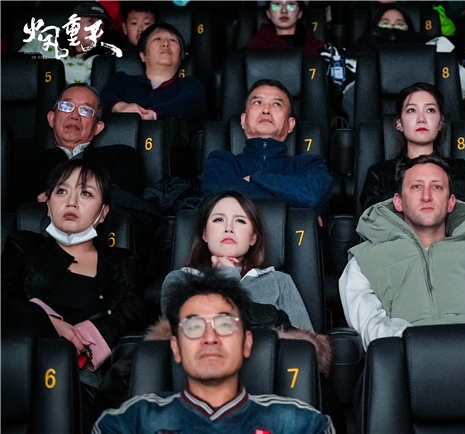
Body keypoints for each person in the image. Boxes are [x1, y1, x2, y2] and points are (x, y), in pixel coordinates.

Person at [93, 268, 334, 433]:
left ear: (247, 342)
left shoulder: (301, 424)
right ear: (176, 347)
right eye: (194, 327)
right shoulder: (129, 423)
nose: (210, 338)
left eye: (224, 325)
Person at [2, 159, 146, 430]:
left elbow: (134, 310)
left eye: (86, 193)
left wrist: (85, 339)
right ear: (48, 204)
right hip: (22, 364)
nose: (71, 202)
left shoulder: (121, 261)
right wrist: (54, 325)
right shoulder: (24, 245)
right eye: (61, 191)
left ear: (103, 213)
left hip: (84, 377)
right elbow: (5, 298)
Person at [340, 154, 465, 350]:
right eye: (416, 186)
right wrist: (427, 347)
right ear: (398, 202)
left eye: (437, 187)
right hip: (406, 361)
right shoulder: (363, 263)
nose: (426, 196)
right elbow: (372, 331)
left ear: (451, 203)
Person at [162, 191, 313, 331]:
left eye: (240, 220)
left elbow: (305, 344)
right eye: (219, 219)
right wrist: (227, 274)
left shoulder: (280, 281)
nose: (228, 228)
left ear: (253, 238)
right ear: (205, 234)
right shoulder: (179, 279)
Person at [360, 82, 465, 211]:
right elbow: (370, 216)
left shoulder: (463, 170)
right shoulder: (380, 174)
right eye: (411, 110)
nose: (421, 119)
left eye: (430, 110)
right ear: (399, 123)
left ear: (441, 122)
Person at [200, 79, 332, 210]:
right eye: (258, 102)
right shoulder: (221, 161)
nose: (266, 110)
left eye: (276, 104)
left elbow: (314, 195)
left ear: (290, 124)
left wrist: (256, 178)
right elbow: (215, 195)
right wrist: (294, 199)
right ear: (243, 120)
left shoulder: (308, 164)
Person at [16, 83, 145, 205]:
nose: (74, 115)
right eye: (66, 106)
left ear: (97, 127)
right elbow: (18, 211)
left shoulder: (119, 156)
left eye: (86, 110)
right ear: (52, 119)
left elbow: (128, 202)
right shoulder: (29, 164)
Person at [100, 22, 206, 124]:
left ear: (181, 56)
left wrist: (153, 114)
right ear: (142, 55)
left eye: (172, 40)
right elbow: (103, 99)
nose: (166, 44)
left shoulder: (191, 85)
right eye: (157, 39)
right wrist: (120, 107)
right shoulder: (122, 80)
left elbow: (189, 103)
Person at [19, 2, 112, 84]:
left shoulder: (99, 61)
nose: (97, 29)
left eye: (101, 25)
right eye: (91, 21)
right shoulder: (42, 39)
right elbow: (19, 67)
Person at [347, 4, 431, 58]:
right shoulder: (365, 42)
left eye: (399, 25)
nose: (392, 28)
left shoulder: (423, 48)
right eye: (385, 24)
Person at [247, 1, 325, 55]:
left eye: (291, 5)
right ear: (268, 14)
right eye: (276, 5)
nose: (284, 11)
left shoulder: (313, 45)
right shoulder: (256, 45)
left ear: (300, 13)